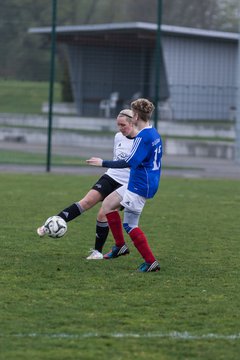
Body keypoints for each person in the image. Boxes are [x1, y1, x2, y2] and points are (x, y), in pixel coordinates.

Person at [37, 109, 138, 259]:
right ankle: (50, 225)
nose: (120, 129)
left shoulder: (141, 141)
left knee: (103, 214)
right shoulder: (118, 137)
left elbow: (130, 164)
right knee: (86, 201)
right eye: (118, 125)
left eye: (123, 125)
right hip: (111, 176)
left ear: (132, 122)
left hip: (128, 184)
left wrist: (102, 162)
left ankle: (97, 252)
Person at [86, 98, 162, 272]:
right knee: (107, 205)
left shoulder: (143, 137)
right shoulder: (154, 133)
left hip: (140, 184)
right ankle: (120, 246)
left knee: (130, 225)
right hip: (144, 181)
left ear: (135, 116)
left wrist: (102, 163)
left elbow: (129, 162)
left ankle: (151, 262)